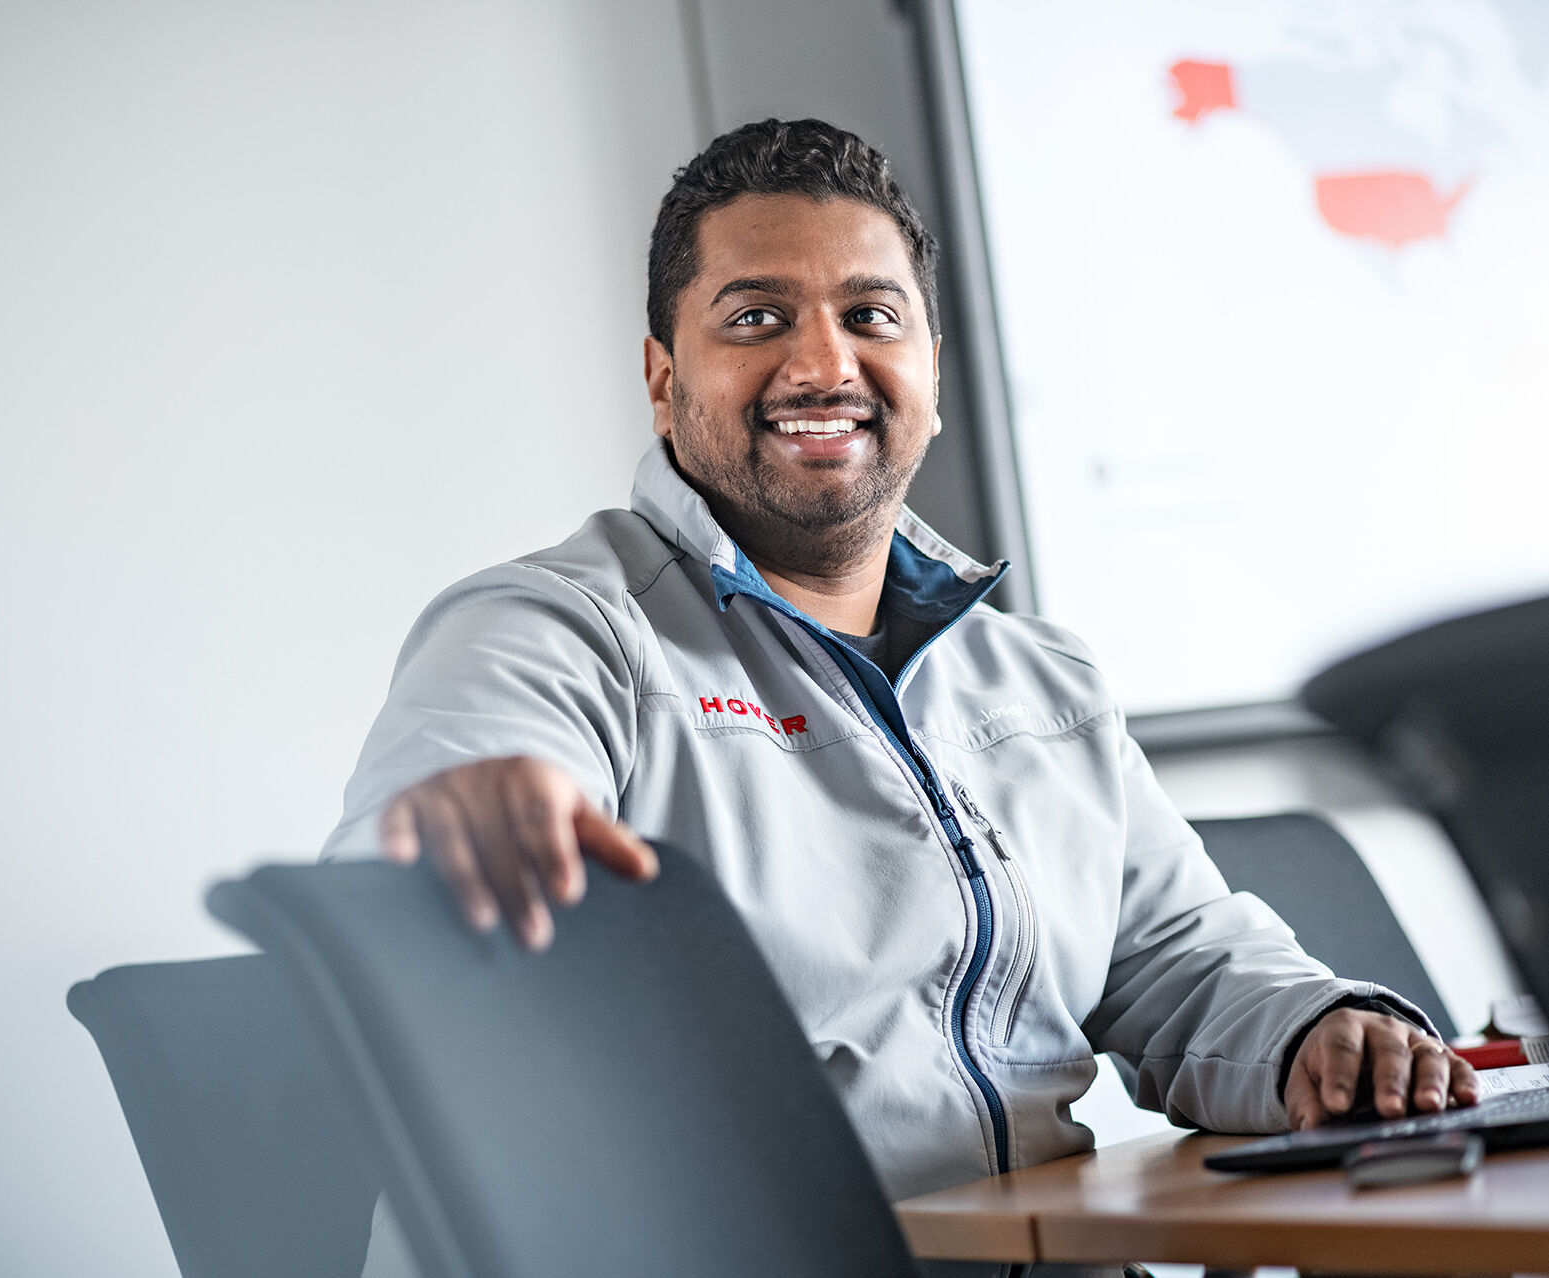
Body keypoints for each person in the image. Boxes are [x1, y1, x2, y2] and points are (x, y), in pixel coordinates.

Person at [326, 118, 1475, 1217]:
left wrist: (1315, 1030)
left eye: (870, 316)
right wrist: (457, 831)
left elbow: (1177, 960)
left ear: (931, 366)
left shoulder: (1040, 680)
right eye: (756, 317)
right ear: (664, 376)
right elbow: (428, 845)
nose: (823, 363)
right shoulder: (549, 628)